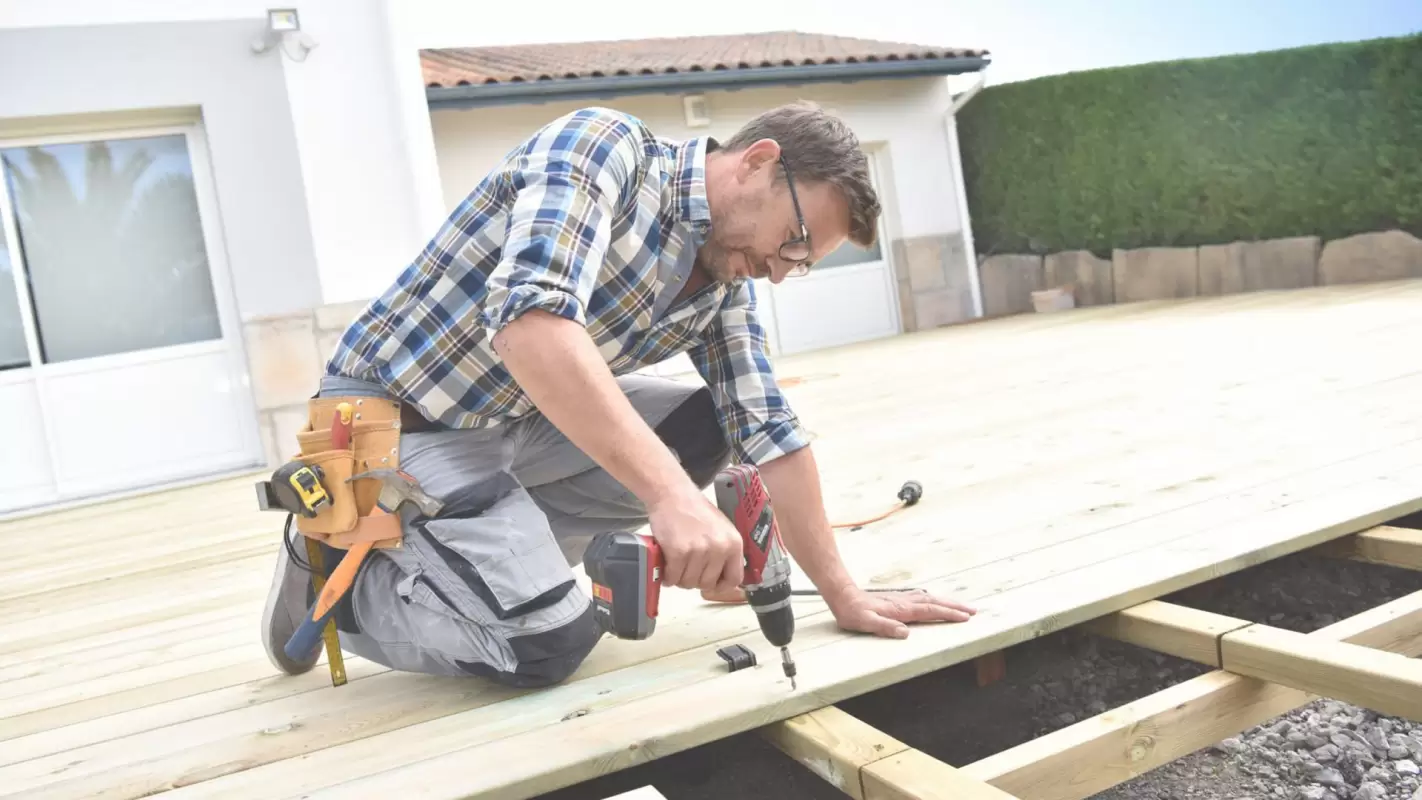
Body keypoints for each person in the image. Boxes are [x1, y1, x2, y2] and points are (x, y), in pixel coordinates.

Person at [260, 101, 976, 688]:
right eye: (793, 241)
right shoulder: (607, 149)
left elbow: (768, 428)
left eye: (804, 263)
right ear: (758, 161)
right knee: (547, 642)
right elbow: (530, 325)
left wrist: (843, 593)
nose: (784, 272)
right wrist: (675, 500)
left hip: (514, 420)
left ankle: (493, 553)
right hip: (402, 422)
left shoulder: (721, 282)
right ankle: (340, 580)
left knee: (707, 427)